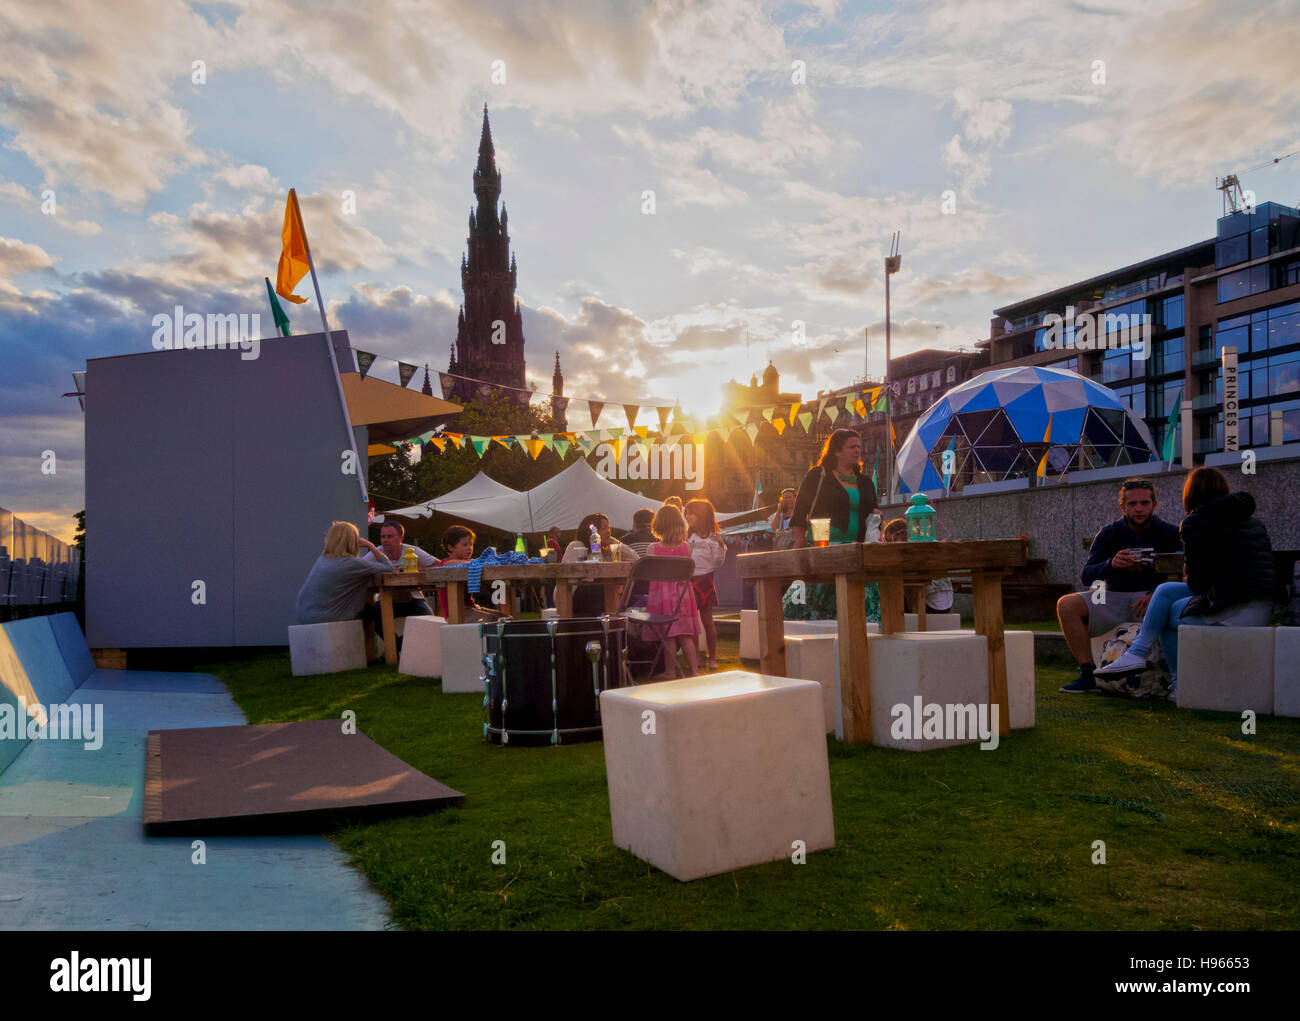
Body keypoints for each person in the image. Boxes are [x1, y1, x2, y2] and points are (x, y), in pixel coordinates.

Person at [1095, 467, 1281, 697]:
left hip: (1234, 611)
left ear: (1190, 494)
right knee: (1164, 591)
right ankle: (1143, 659)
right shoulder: (1252, 521)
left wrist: (1188, 572)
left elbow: (1200, 585)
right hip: (1261, 607)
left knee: (1166, 613)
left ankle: (1172, 680)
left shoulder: (1196, 522)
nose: (1139, 509)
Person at [1057, 477, 1183, 693]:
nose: (1138, 509)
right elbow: (1087, 576)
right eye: (1132, 504)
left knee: (1172, 603)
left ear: (1154, 504)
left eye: (1144, 503)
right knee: (1066, 604)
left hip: (1152, 599)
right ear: (1122, 506)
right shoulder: (1109, 533)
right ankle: (1088, 673)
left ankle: (1172, 679)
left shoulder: (1170, 533)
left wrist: (1156, 593)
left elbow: (1183, 574)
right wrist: (1110, 564)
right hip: (1113, 596)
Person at [782, 428, 880, 621]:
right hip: (823, 551)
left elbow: (872, 511)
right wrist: (800, 542)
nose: (857, 450)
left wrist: (876, 515)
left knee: (857, 608)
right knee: (817, 607)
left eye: (859, 446)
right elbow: (800, 512)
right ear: (836, 451)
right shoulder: (818, 476)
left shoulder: (866, 482)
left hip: (856, 551)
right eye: (851, 447)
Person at [296, 522, 394, 657]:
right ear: (352, 541)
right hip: (329, 618)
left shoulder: (322, 559)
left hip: (304, 616)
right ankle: (395, 649)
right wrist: (372, 546)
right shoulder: (351, 563)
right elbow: (389, 567)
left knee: (368, 610)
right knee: (375, 610)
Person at [645, 504, 700, 677]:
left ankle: (670, 672)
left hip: (664, 597)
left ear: (659, 524)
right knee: (685, 635)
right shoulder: (686, 548)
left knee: (669, 635)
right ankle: (695, 671)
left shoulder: (653, 548)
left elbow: (650, 573)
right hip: (684, 596)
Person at [362, 520, 439, 620]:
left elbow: (439, 565)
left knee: (429, 621)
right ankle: (396, 637)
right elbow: (360, 568)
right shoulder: (377, 552)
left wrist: (414, 569)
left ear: (401, 538)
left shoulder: (412, 551)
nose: (385, 540)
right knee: (369, 616)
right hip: (386, 599)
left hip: (413, 599)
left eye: (390, 536)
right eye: (383, 536)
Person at [562, 513, 634, 615]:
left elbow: (635, 559)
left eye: (609, 528)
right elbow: (568, 576)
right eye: (604, 528)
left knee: (619, 589)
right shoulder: (577, 546)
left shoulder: (609, 550)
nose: (608, 531)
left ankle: (612, 624)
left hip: (601, 597)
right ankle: (611, 622)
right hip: (575, 596)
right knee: (604, 585)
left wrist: (614, 542)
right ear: (592, 532)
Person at [684, 498, 726, 671]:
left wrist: (721, 546)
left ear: (700, 515)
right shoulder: (687, 536)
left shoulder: (712, 537)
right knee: (692, 623)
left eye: (690, 513)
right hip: (688, 581)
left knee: (708, 621)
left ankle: (712, 658)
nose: (687, 516)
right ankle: (695, 659)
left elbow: (718, 563)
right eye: (686, 513)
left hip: (705, 580)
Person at [882, 517, 955, 614]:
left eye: (892, 539)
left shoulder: (910, 551)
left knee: (894, 588)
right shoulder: (924, 542)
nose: (890, 544)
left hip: (930, 605)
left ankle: (895, 625)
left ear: (902, 534)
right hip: (947, 603)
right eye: (888, 542)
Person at [435, 525, 504, 623]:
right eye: (465, 544)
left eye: (471, 544)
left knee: (503, 617)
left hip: (472, 608)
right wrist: (485, 562)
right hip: (456, 613)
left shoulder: (469, 564)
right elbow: (468, 564)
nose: (469, 548)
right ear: (450, 547)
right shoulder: (448, 563)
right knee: (495, 620)